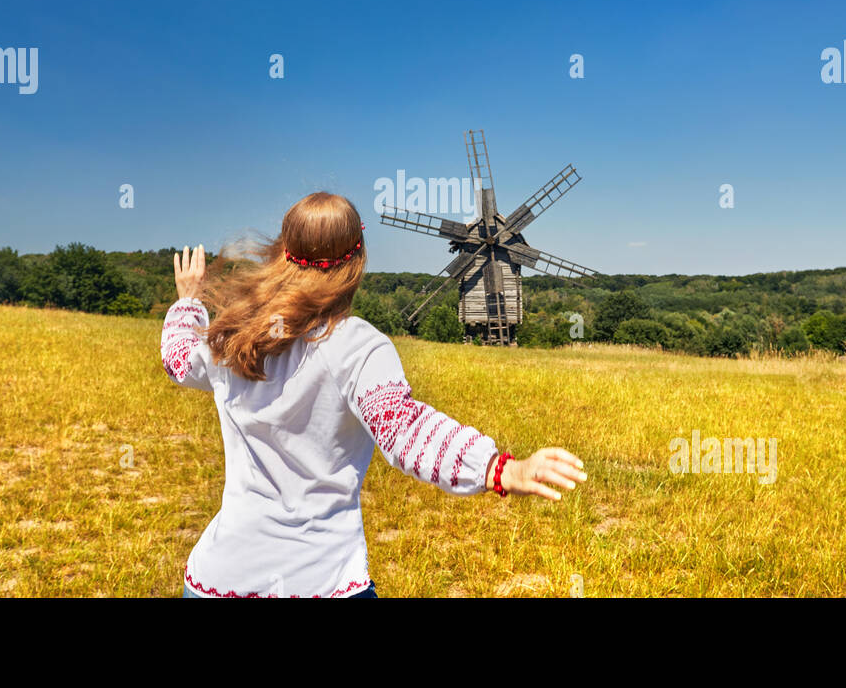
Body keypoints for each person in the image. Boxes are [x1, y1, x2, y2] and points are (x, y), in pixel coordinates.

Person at [161, 191, 587, 598]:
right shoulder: (357, 347)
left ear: (281, 254)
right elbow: (406, 430)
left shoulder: (235, 338)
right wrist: (497, 469)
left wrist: (189, 300)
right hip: (319, 580)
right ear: (357, 261)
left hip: (216, 578)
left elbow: (178, 360)